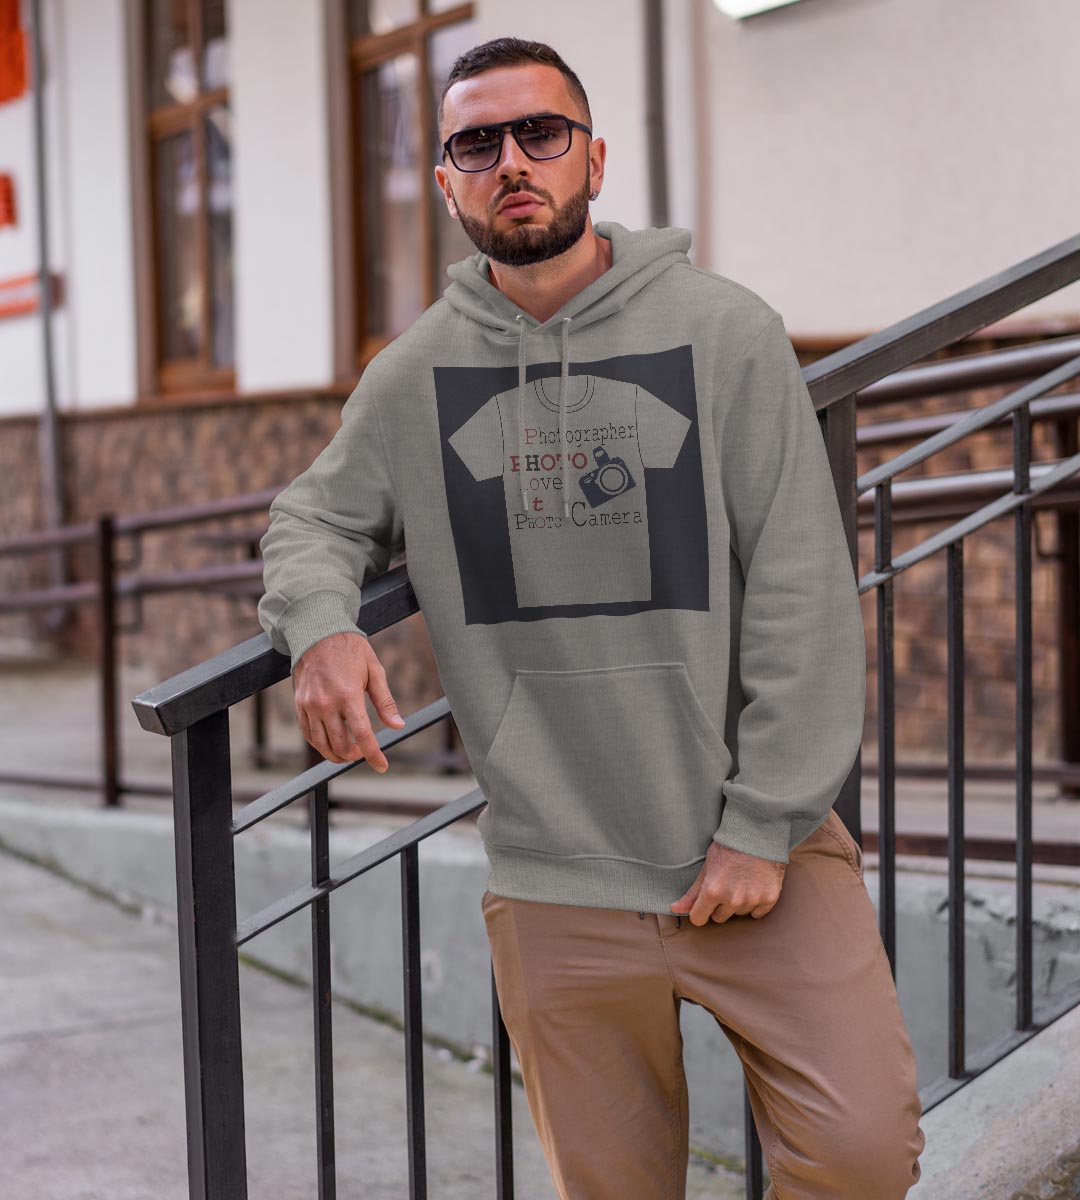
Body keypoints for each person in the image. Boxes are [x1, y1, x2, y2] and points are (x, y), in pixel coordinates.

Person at [257, 36, 926, 1200]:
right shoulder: (414, 376)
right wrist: (320, 627)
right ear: (449, 182)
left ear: (595, 159)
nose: (512, 162)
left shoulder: (725, 334)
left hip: (753, 852)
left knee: (864, 1156)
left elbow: (801, 588)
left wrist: (764, 820)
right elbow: (312, 517)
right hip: (555, 875)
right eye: (477, 144)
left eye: (541, 133)